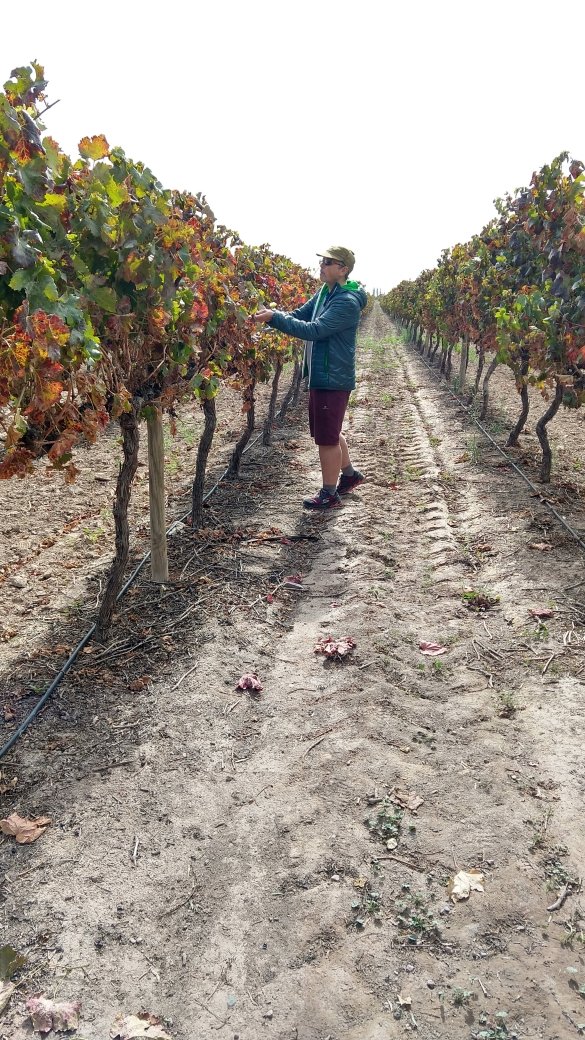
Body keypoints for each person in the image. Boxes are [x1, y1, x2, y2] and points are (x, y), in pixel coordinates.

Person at [251, 246, 367, 510]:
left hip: (332, 377)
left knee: (327, 438)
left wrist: (275, 319)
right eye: (322, 261)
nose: (322, 266)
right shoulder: (326, 293)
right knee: (328, 431)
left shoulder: (346, 302)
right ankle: (349, 475)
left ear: (343, 269)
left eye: (328, 262)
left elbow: (314, 330)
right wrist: (271, 316)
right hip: (322, 374)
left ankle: (329, 494)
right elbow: (298, 315)